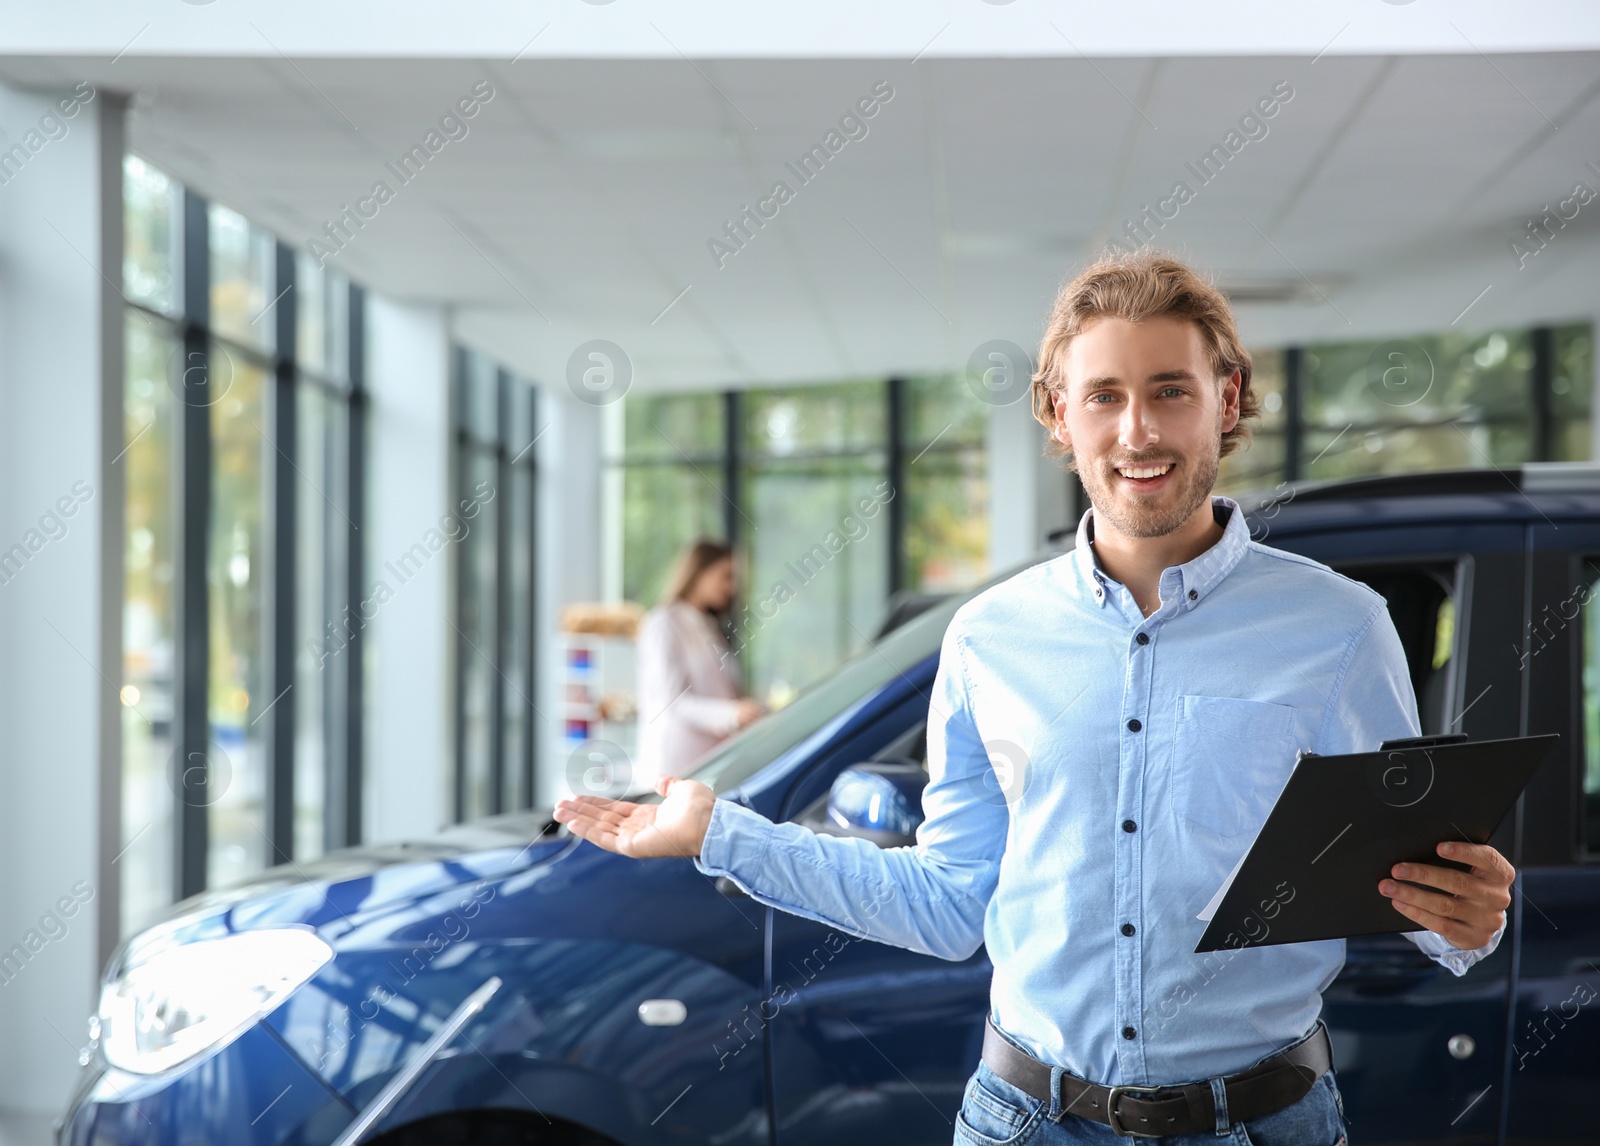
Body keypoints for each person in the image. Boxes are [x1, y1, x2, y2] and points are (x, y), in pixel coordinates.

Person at [555, 252, 1515, 1144]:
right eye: (1105, 396)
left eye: (1169, 391)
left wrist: (1464, 919)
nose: (1137, 430)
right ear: (1060, 416)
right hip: (1026, 1120)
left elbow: (1406, 880)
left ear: (1225, 401)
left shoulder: (1339, 628)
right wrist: (722, 833)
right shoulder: (983, 640)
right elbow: (947, 904)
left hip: (1265, 1122)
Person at [633, 540, 764, 787]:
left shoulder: (709, 626)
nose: (732, 587)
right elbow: (672, 702)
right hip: (673, 766)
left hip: (711, 765)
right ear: (698, 573)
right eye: (725, 576)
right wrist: (733, 713)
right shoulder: (663, 623)